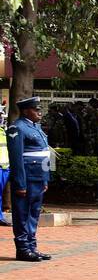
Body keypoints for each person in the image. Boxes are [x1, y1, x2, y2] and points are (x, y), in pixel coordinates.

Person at [6, 97, 51, 261]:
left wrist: (45, 179)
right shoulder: (17, 128)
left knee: (34, 214)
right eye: (35, 109)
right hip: (27, 179)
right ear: (25, 111)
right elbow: (16, 159)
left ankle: (32, 246)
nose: (39, 112)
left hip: (38, 178)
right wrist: (19, 183)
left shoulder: (36, 128)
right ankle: (23, 248)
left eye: (39, 109)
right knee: (22, 215)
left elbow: (45, 154)